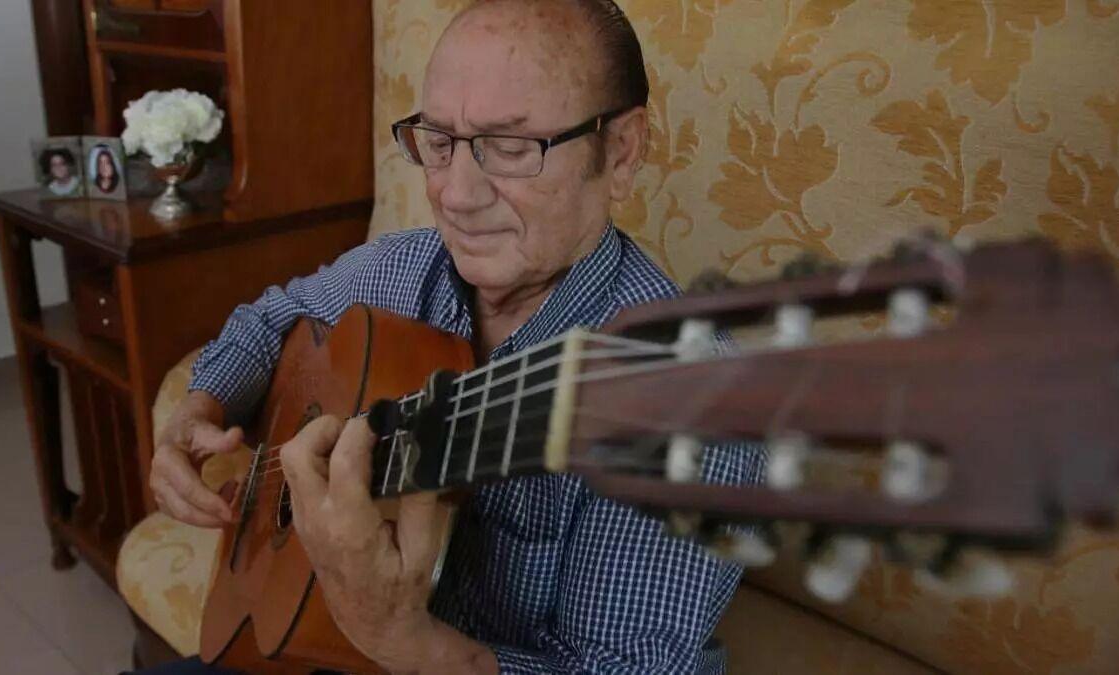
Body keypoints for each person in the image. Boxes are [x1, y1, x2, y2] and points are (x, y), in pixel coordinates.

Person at [143, 1, 763, 673]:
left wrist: (397, 635)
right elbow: (269, 319)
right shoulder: (403, 267)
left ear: (621, 152)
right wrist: (199, 407)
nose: (457, 196)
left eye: (511, 146)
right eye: (439, 141)